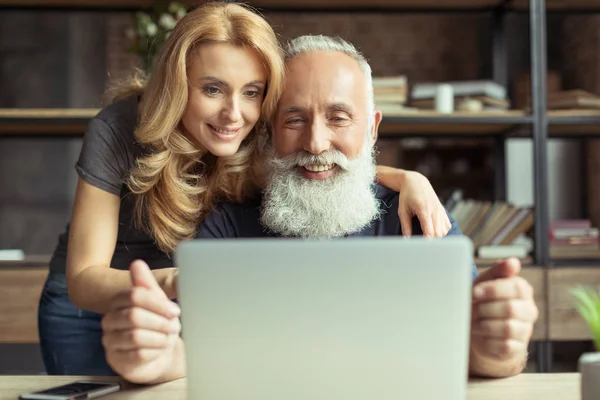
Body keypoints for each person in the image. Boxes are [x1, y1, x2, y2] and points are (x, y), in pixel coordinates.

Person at [39, 3, 453, 376]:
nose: (233, 114)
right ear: (178, 84)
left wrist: (407, 178)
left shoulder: (254, 130)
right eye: (212, 89)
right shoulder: (117, 130)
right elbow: (83, 279)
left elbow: (322, 158)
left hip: (186, 300)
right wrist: (177, 284)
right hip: (93, 306)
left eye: (252, 92)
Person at [100, 34, 539, 385]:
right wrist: (152, 359)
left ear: (371, 129)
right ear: (270, 132)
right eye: (295, 119)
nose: (315, 143)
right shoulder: (226, 229)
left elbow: (478, 349)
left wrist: (499, 348)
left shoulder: (417, 218)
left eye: (338, 117)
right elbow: (193, 353)